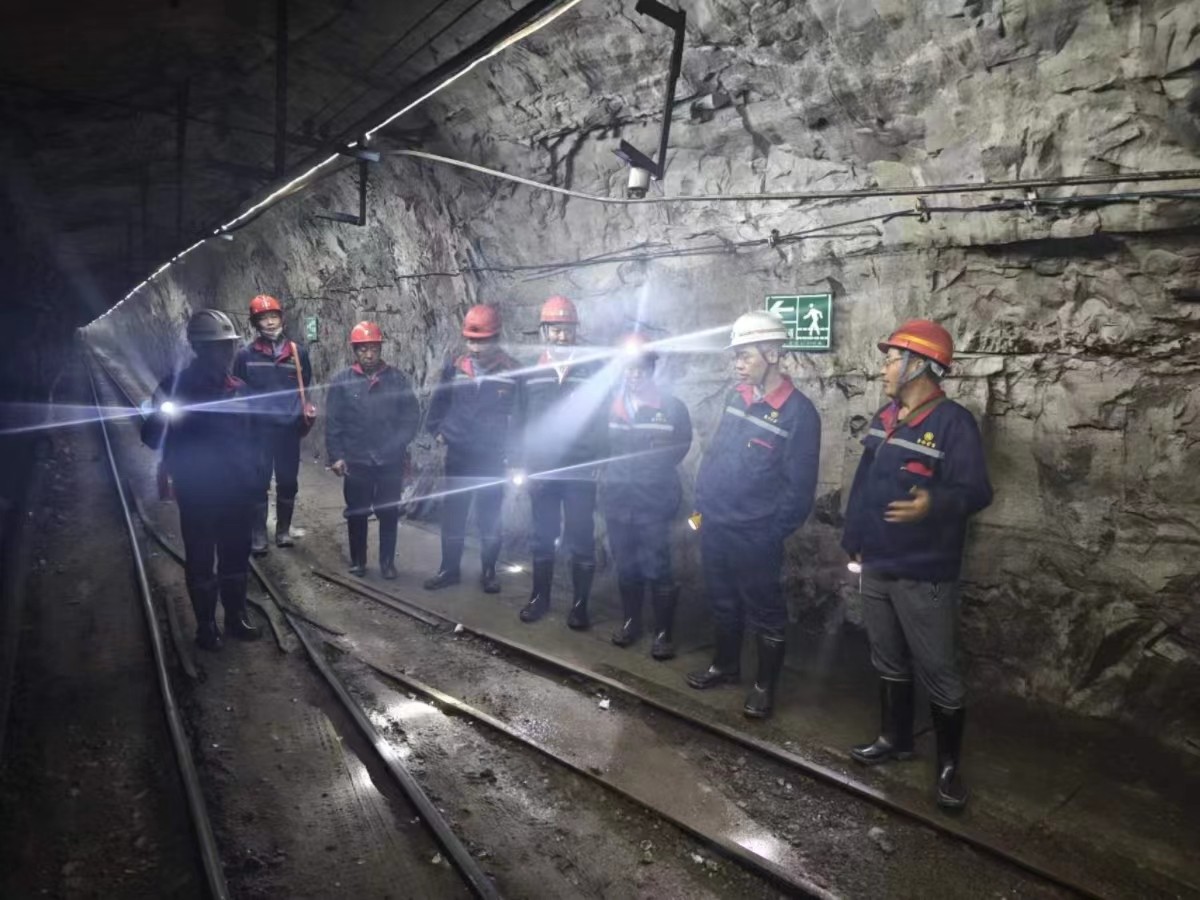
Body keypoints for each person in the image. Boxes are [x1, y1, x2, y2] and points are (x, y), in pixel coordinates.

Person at [841, 319, 992, 810]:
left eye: (891, 359)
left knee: (937, 668)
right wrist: (853, 537)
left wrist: (935, 503)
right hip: (877, 562)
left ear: (918, 365)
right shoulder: (886, 417)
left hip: (923, 570)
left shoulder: (953, 423)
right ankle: (895, 738)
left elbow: (977, 491)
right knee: (886, 656)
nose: (884, 368)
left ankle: (948, 767)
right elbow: (864, 484)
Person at [688, 310, 821, 720]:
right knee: (722, 600)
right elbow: (714, 455)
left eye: (745, 355)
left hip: (756, 533)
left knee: (765, 610)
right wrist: (702, 507)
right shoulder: (737, 398)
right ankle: (725, 665)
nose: (738, 363)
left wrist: (770, 533)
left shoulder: (800, 414)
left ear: (773, 354)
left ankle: (764, 687)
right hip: (717, 523)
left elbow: (799, 490)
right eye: (737, 355)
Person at [141, 309, 263, 650]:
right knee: (200, 559)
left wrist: (255, 478)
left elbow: (255, 438)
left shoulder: (239, 389)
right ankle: (206, 626)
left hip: (236, 490)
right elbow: (150, 435)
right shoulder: (173, 388)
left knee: (236, 556)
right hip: (198, 491)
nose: (226, 353)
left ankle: (235, 617)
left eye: (229, 346)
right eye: (218, 347)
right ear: (198, 347)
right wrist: (168, 418)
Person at [513, 295, 612, 628]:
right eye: (555, 329)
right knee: (542, 536)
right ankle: (539, 598)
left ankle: (580, 606)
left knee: (581, 538)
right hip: (542, 470)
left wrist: (600, 457)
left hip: (580, 469)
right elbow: (520, 419)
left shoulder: (592, 369)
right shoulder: (531, 372)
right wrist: (518, 462)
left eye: (567, 329)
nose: (561, 336)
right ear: (544, 331)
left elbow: (602, 418)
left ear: (575, 331)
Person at [603, 332, 692, 659]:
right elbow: (600, 447)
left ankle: (664, 632)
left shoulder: (672, 408)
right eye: (629, 368)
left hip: (654, 501)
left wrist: (651, 474)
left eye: (641, 368)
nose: (634, 374)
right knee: (626, 564)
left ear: (652, 369)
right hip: (617, 499)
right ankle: (631, 622)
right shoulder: (610, 405)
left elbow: (681, 447)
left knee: (658, 566)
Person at [424, 304, 521, 594]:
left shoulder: (512, 371)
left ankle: (488, 571)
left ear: (496, 338)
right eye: (471, 341)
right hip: (460, 454)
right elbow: (439, 402)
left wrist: (514, 454)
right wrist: (439, 430)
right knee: (454, 513)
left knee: (489, 516)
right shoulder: (455, 368)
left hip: (492, 456)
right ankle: (449, 569)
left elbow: (521, 415)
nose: (475, 348)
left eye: (482, 341)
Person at [325, 321, 420, 578]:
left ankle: (387, 563)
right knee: (357, 512)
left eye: (374, 349)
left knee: (388, 511)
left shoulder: (396, 379)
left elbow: (411, 416)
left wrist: (398, 444)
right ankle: (358, 561)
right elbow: (334, 422)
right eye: (363, 349)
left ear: (380, 349)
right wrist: (336, 456)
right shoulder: (342, 382)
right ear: (355, 351)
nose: (369, 355)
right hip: (356, 459)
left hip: (389, 459)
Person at [233, 294, 312, 554]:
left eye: (273, 317)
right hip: (258, 432)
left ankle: (283, 531)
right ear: (255, 323)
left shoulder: (297, 353)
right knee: (258, 483)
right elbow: (238, 389)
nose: (269, 322)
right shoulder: (245, 356)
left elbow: (305, 383)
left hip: (288, 430)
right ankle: (259, 535)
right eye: (263, 318)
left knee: (288, 481)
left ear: (281, 318)